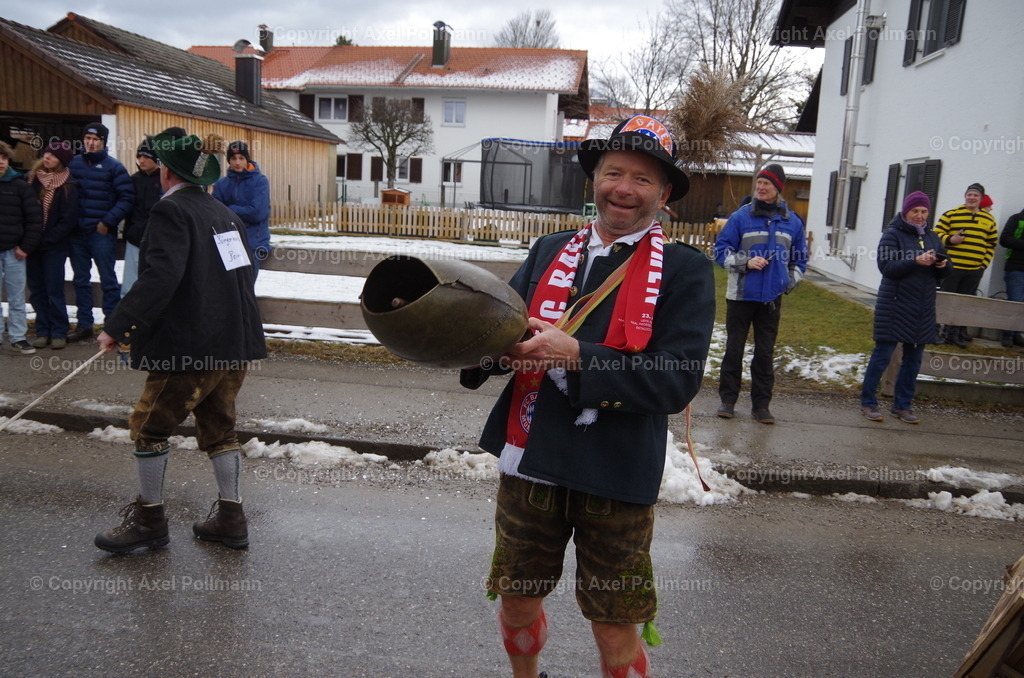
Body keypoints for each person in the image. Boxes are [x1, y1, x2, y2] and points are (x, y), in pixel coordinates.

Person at [461, 115, 714, 678]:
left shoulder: (686, 270)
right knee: (517, 600)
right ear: (594, 179)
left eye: (643, 179)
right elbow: (500, 332)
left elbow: (675, 380)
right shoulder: (550, 248)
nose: (624, 188)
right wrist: (494, 350)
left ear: (664, 194)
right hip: (532, 462)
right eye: (613, 172)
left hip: (615, 473)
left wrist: (574, 354)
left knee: (614, 623)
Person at [93, 130, 267, 554]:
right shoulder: (224, 213)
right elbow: (243, 277)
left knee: (148, 427)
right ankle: (231, 518)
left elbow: (159, 278)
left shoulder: (170, 213)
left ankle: (150, 520)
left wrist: (118, 326)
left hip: (192, 347)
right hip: (233, 345)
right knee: (219, 428)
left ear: (165, 172)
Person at [714, 164, 808, 424]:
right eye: (759, 183)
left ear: (778, 188)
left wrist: (786, 284)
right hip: (740, 297)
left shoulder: (793, 222)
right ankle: (728, 401)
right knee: (734, 350)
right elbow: (720, 252)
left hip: (771, 300)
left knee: (765, 353)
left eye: (767, 183)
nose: (761, 187)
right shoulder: (740, 217)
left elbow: (800, 260)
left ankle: (761, 406)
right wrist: (746, 262)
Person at [860, 191, 949, 423]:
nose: (920, 216)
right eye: (915, 211)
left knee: (914, 359)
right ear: (906, 212)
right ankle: (868, 403)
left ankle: (902, 405)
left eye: (924, 211)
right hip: (895, 306)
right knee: (882, 356)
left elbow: (945, 273)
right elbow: (887, 267)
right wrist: (915, 260)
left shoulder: (933, 236)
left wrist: (942, 264)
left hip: (922, 308)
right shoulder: (892, 234)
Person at [66, 122, 135, 343]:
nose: (91, 143)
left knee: (107, 280)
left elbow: (126, 198)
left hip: (101, 233)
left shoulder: (114, 167)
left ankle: (111, 326)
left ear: (103, 142)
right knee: (81, 280)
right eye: (88, 138)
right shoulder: (72, 164)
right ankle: (84, 324)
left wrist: (107, 221)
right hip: (77, 233)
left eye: (96, 139)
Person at [933, 182, 999, 348]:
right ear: (965, 196)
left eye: (975, 195)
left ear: (981, 198)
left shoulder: (989, 219)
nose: (972, 197)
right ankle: (934, 332)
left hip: (974, 271)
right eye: (969, 194)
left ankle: (953, 334)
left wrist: (983, 265)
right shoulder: (951, 214)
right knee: (945, 301)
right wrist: (951, 239)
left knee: (963, 304)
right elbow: (935, 235)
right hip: (952, 268)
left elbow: (992, 244)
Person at [27, 141, 78, 350]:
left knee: (54, 289)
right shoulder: (31, 180)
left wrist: (47, 239)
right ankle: (42, 330)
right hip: (31, 245)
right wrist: (30, 239)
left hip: (54, 246)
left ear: (61, 162)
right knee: (37, 289)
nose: (47, 157)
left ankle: (58, 330)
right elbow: (25, 211)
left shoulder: (69, 186)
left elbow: (68, 219)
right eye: (47, 152)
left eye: (53, 155)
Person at [0, 140, 43, 355]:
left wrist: (26, 247)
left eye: (4, 158)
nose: (0, 162)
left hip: (14, 252)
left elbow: (34, 219)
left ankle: (18, 336)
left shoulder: (20, 186)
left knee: (17, 297)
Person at [212, 140, 270, 276]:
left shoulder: (260, 181)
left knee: (246, 290)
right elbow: (214, 212)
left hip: (253, 243)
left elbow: (257, 213)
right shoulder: (222, 184)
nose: (237, 162)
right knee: (228, 291)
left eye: (241, 158)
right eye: (233, 158)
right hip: (228, 243)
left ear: (247, 159)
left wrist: (229, 209)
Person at [120, 137, 163, 294]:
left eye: (146, 156)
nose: (141, 160)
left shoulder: (164, 180)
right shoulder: (133, 180)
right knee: (130, 283)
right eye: (139, 156)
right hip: (134, 237)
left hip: (156, 238)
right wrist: (129, 231)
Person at [999, 205, 1024, 348]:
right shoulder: (1016, 218)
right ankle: (1007, 334)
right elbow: (1005, 239)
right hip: (1016, 268)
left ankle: (1016, 334)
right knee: (1013, 302)